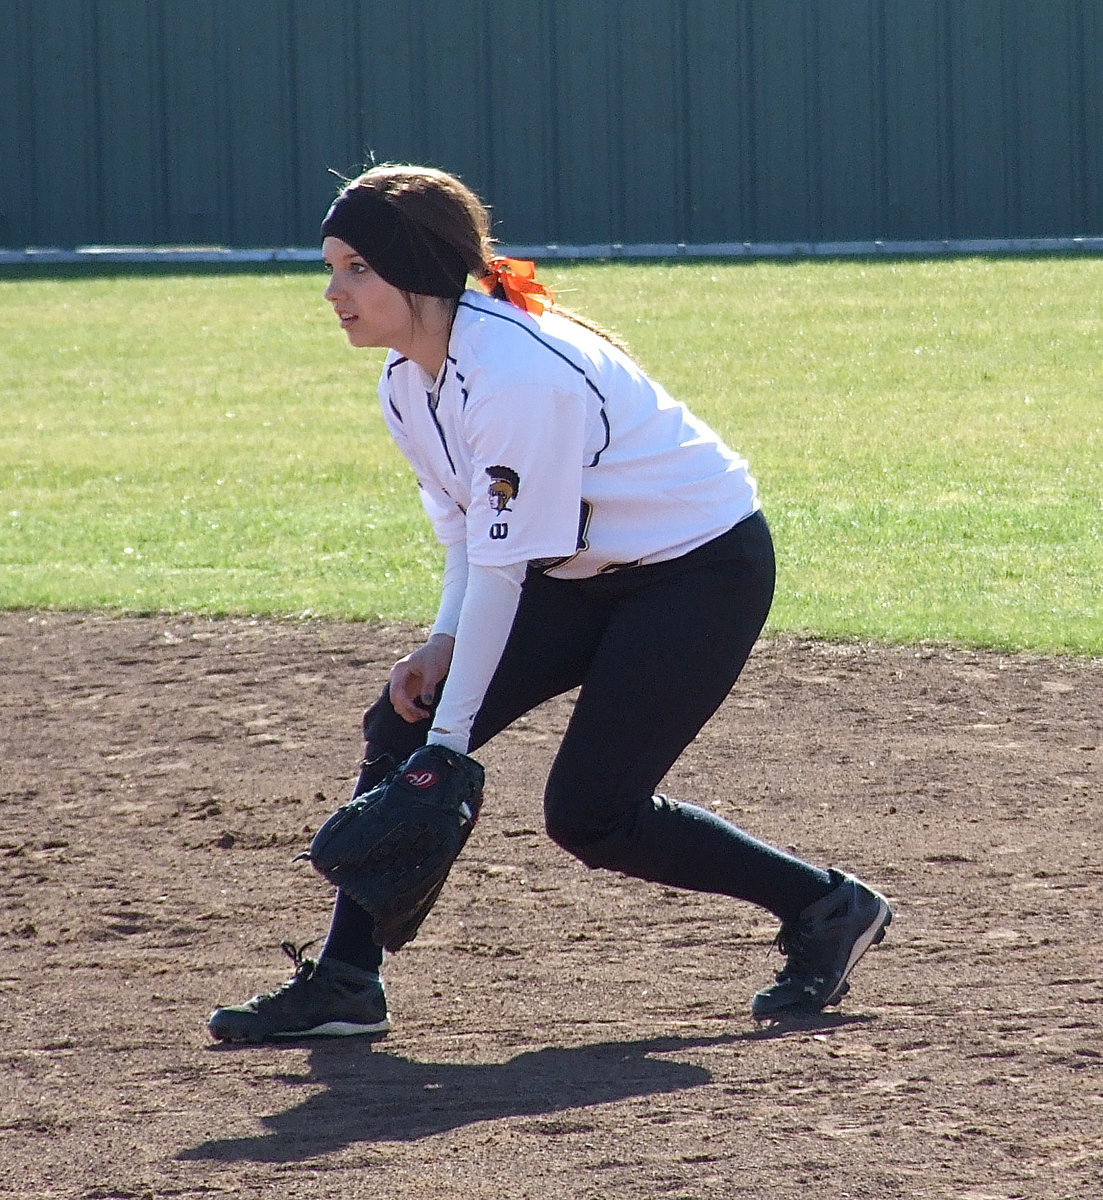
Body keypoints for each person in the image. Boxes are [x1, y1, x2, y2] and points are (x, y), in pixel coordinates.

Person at [207, 165, 892, 1043]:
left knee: (591, 815)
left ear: (414, 269)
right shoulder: (406, 379)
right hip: (574, 571)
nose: (334, 291)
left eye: (357, 269)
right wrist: (441, 645)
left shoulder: (513, 376)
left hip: (696, 571)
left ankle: (827, 906)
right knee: (403, 724)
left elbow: (503, 570)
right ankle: (345, 981)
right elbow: (467, 538)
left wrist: (447, 750)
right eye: (332, 267)